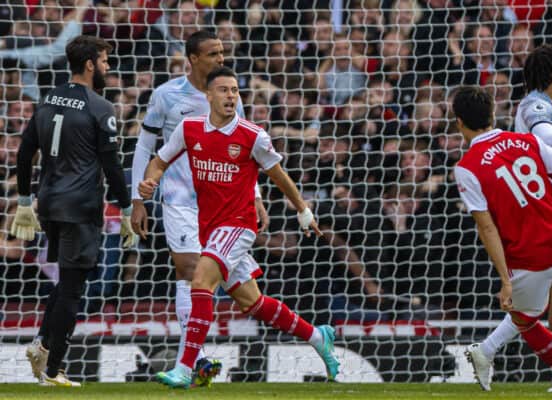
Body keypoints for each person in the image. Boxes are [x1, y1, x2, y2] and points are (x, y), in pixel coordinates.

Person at [138, 67, 340, 388]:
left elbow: (279, 177)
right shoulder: (190, 129)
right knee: (253, 303)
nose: (231, 95)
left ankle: (186, 368)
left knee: (200, 280)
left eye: (235, 90)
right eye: (224, 90)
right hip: (210, 227)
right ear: (209, 96)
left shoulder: (252, 135)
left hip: (239, 225)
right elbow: (160, 160)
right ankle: (318, 337)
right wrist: (150, 181)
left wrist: (303, 210)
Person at [130, 30, 268, 387]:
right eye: (213, 54)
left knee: (246, 293)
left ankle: (316, 338)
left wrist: (255, 195)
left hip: (223, 204)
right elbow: (145, 148)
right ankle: (192, 361)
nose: (220, 59)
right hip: (178, 199)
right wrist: (137, 198)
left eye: (222, 53)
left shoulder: (229, 93)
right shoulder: (166, 95)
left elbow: (246, 149)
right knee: (190, 269)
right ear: (192, 59)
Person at [466, 44, 552, 393]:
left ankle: (502, 354)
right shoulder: (536, 106)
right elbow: (547, 140)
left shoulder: (543, 104)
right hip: (546, 208)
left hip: (544, 207)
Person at [12, 35, 136, 387]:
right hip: (79, 206)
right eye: (105, 61)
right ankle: (53, 370)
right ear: (89, 65)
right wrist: (126, 208)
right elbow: (112, 166)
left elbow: (24, 154)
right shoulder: (100, 107)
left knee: (68, 280)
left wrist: (24, 200)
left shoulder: (48, 98)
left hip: (49, 203)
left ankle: (42, 344)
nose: (108, 68)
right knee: (73, 288)